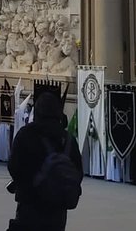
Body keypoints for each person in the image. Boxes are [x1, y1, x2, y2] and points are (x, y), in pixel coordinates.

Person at [5, 92, 84, 231]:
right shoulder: (69, 140)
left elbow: (13, 166)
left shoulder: (26, 134)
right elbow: (78, 173)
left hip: (29, 207)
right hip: (58, 213)